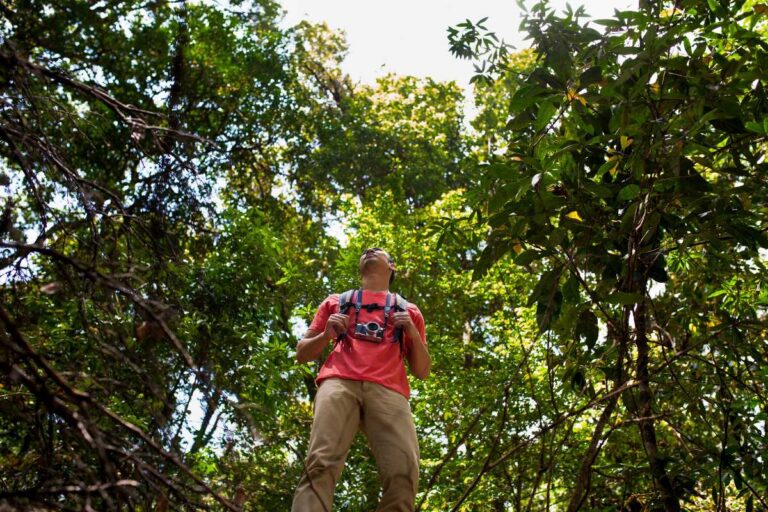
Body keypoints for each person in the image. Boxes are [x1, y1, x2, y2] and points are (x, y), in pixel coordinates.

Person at [292, 247, 431, 512]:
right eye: (366, 251)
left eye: (377, 251)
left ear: (392, 266)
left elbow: (422, 371)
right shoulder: (336, 302)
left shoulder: (408, 310)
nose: (369, 251)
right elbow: (302, 353)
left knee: (405, 472)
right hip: (338, 381)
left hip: (389, 389)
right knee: (320, 463)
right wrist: (326, 336)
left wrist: (412, 333)